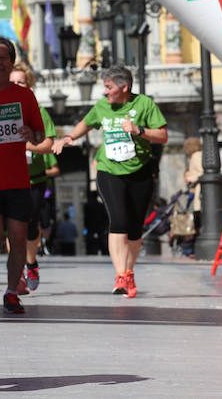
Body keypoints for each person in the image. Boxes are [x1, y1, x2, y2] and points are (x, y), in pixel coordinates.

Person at [51, 64, 167, 298]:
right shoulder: (102, 107)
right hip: (109, 170)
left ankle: (129, 272)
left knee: (134, 227)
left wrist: (139, 130)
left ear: (124, 87)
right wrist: (68, 137)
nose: (105, 92)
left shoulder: (144, 104)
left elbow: (163, 135)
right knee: (119, 221)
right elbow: (86, 122)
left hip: (139, 171)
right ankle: (120, 275)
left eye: (109, 87)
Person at [0, 38, 51, 315]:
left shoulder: (24, 96)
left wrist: (32, 135)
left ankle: (12, 292)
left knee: (18, 238)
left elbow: (40, 134)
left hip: (18, 180)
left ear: (11, 61)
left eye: (4, 57)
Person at [10, 61, 58, 292]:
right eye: (13, 82)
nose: (16, 86)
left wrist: (27, 145)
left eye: (21, 82)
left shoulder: (38, 110)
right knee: (12, 227)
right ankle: (17, 275)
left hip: (34, 180)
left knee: (29, 227)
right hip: (8, 177)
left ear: (29, 86)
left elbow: (49, 145)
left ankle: (31, 263)